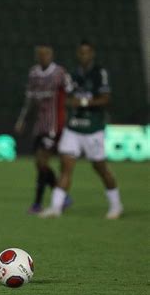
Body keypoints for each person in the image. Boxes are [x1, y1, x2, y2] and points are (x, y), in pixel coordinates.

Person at [40, 40, 124, 219]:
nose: (83, 55)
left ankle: (116, 205)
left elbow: (106, 99)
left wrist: (84, 102)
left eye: (87, 52)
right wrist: (70, 102)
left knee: (100, 167)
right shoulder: (73, 74)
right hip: (74, 128)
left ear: (92, 53)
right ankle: (55, 207)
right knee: (66, 167)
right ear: (78, 54)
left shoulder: (99, 73)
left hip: (93, 128)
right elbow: (67, 98)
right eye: (81, 52)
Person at [14, 44, 73, 214]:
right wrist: (22, 120)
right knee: (40, 164)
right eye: (40, 54)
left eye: (46, 54)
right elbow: (30, 100)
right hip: (40, 125)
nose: (43, 57)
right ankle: (61, 195)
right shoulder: (34, 73)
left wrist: (68, 114)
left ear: (51, 55)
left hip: (55, 125)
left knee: (42, 161)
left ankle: (37, 204)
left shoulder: (60, 73)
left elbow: (71, 93)